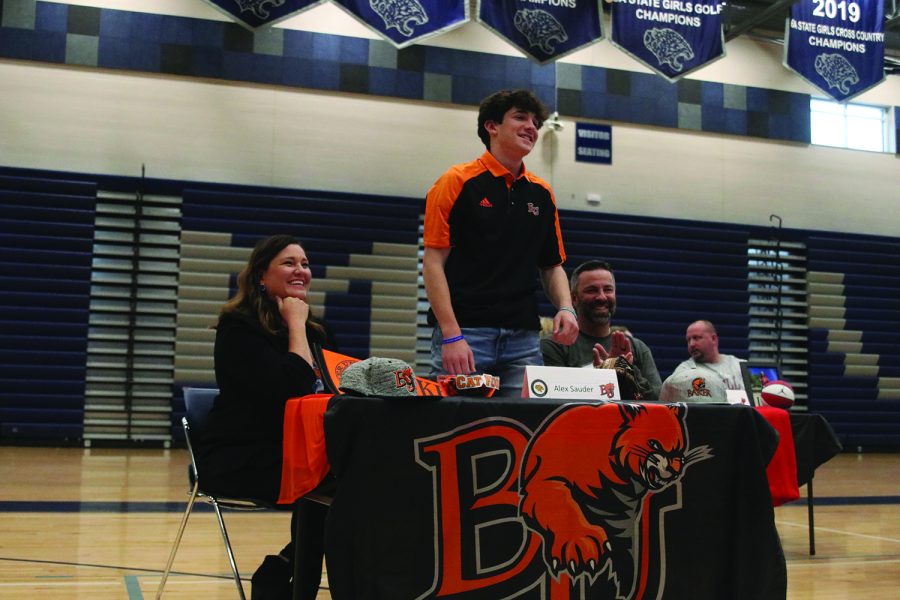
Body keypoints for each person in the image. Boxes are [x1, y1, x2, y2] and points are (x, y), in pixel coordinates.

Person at [196, 234, 337, 600]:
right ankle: (292, 582)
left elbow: (337, 391)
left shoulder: (317, 329)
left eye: (305, 264)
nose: (301, 271)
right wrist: (295, 327)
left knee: (360, 475)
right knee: (333, 484)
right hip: (241, 454)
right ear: (261, 274)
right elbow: (291, 392)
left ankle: (286, 570)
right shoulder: (237, 329)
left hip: (298, 452)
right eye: (289, 263)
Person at [422, 88, 578, 397]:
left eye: (536, 122)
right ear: (491, 126)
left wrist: (566, 308)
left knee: (523, 435)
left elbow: (552, 266)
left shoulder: (542, 194)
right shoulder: (456, 181)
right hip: (466, 334)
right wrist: (452, 335)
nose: (532, 127)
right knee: (455, 430)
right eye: (520, 117)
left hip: (524, 340)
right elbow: (433, 263)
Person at [541, 260, 663, 400]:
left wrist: (626, 371)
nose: (602, 297)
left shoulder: (637, 347)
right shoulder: (554, 345)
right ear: (574, 299)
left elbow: (658, 401)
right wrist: (603, 376)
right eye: (592, 290)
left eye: (608, 289)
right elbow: (555, 403)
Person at [671, 319, 745, 390]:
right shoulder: (684, 371)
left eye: (696, 338)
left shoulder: (739, 366)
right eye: (688, 340)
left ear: (713, 339)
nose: (691, 344)